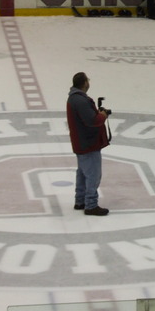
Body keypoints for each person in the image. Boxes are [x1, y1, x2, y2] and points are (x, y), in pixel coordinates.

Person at [66, 72, 110, 216]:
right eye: (88, 80)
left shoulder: (75, 98)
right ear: (85, 83)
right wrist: (102, 116)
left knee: (83, 173)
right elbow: (92, 121)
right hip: (88, 143)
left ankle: (80, 200)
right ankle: (91, 205)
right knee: (93, 175)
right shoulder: (80, 100)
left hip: (82, 142)